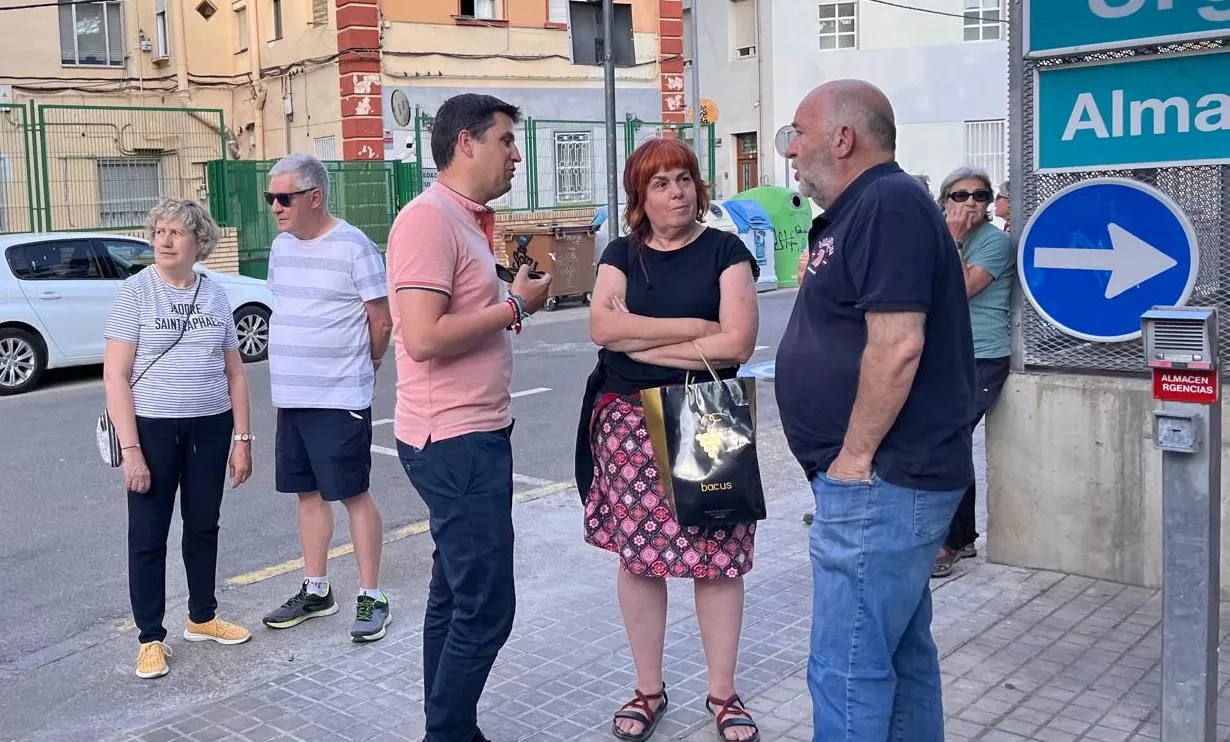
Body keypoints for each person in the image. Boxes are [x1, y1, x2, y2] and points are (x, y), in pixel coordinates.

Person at [776, 80, 976, 741]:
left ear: (843, 138)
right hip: (889, 483)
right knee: (899, 652)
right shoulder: (866, 208)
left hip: (880, 482)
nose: (789, 150)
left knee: (847, 668)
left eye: (796, 134)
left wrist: (853, 460)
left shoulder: (887, 204)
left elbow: (897, 346)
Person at [580, 136, 761, 742]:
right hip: (627, 418)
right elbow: (602, 329)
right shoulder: (621, 254)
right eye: (660, 183)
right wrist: (692, 329)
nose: (676, 191)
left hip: (707, 415)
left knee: (716, 557)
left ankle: (724, 695)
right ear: (641, 196)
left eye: (683, 178)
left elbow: (737, 344)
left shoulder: (726, 252)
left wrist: (641, 339)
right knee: (640, 558)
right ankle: (648, 689)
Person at [386, 93, 551, 742]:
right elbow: (422, 337)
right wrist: (516, 308)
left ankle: (448, 724)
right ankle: (448, 732)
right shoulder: (428, 220)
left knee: (453, 595)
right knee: (487, 609)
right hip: (453, 439)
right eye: (507, 140)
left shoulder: (470, 220)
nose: (516, 154)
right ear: (466, 144)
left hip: (473, 432)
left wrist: (510, 294)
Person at [103, 198, 254, 679]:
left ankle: (203, 617)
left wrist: (243, 438)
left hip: (210, 426)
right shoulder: (135, 293)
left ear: (199, 243)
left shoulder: (213, 295)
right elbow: (115, 376)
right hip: (152, 428)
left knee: (203, 525)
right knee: (148, 535)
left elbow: (234, 374)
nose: (164, 240)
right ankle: (150, 636)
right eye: (159, 232)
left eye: (176, 233)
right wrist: (132, 451)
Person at [260, 153, 394, 643]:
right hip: (292, 396)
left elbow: (380, 320)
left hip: (339, 395)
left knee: (352, 492)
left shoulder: (354, 246)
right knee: (307, 492)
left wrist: (370, 363)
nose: (275, 206)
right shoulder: (281, 248)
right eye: (270, 197)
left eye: (284, 197)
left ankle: (372, 594)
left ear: (315, 197)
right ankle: (316, 589)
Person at [932, 166, 1014, 579]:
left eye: (980, 196)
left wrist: (953, 238)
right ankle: (962, 537)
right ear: (945, 200)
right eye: (960, 196)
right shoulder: (935, 237)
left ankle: (947, 542)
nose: (971, 204)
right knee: (952, 442)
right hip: (948, 355)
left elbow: (957, 286)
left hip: (984, 356)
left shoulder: (994, 243)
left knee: (947, 439)